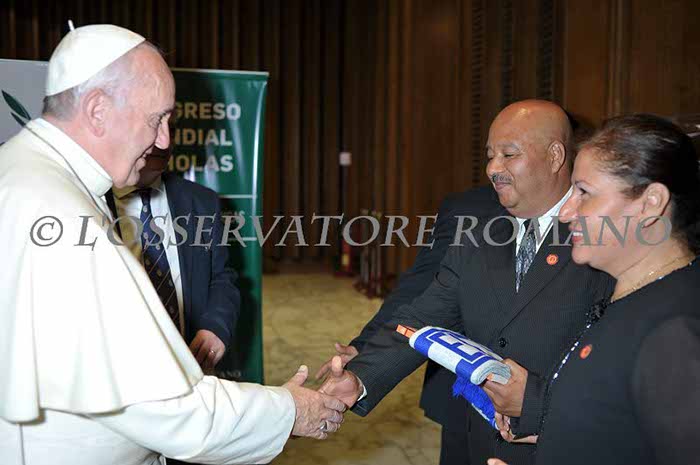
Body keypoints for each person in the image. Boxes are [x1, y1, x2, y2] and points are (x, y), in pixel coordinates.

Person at [0, 24, 344, 465]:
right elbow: (170, 409)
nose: (165, 140)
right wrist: (292, 410)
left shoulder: (26, 173)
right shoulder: (61, 215)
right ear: (98, 109)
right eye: (156, 119)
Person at [318, 100, 615, 465]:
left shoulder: (604, 236)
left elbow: (619, 373)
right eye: (490, 156)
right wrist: (361, 377)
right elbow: (421, 318)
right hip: (478, 443)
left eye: (509, 155)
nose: (493, 168)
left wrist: (539, 403)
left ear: (555, 156)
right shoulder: (477, 236)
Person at [489, 114, 700, 465]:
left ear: (650, 203)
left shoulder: (675, 331)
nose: (566, 212)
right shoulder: (634, 298)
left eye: (584, 192)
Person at [107, 145, 240, 372]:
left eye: (171, 129)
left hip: (192, 365)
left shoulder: (202, 200)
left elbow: (222, 277)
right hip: (118, 367)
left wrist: (216, 326)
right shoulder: (86, 201)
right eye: (154, 127)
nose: (164, 141)